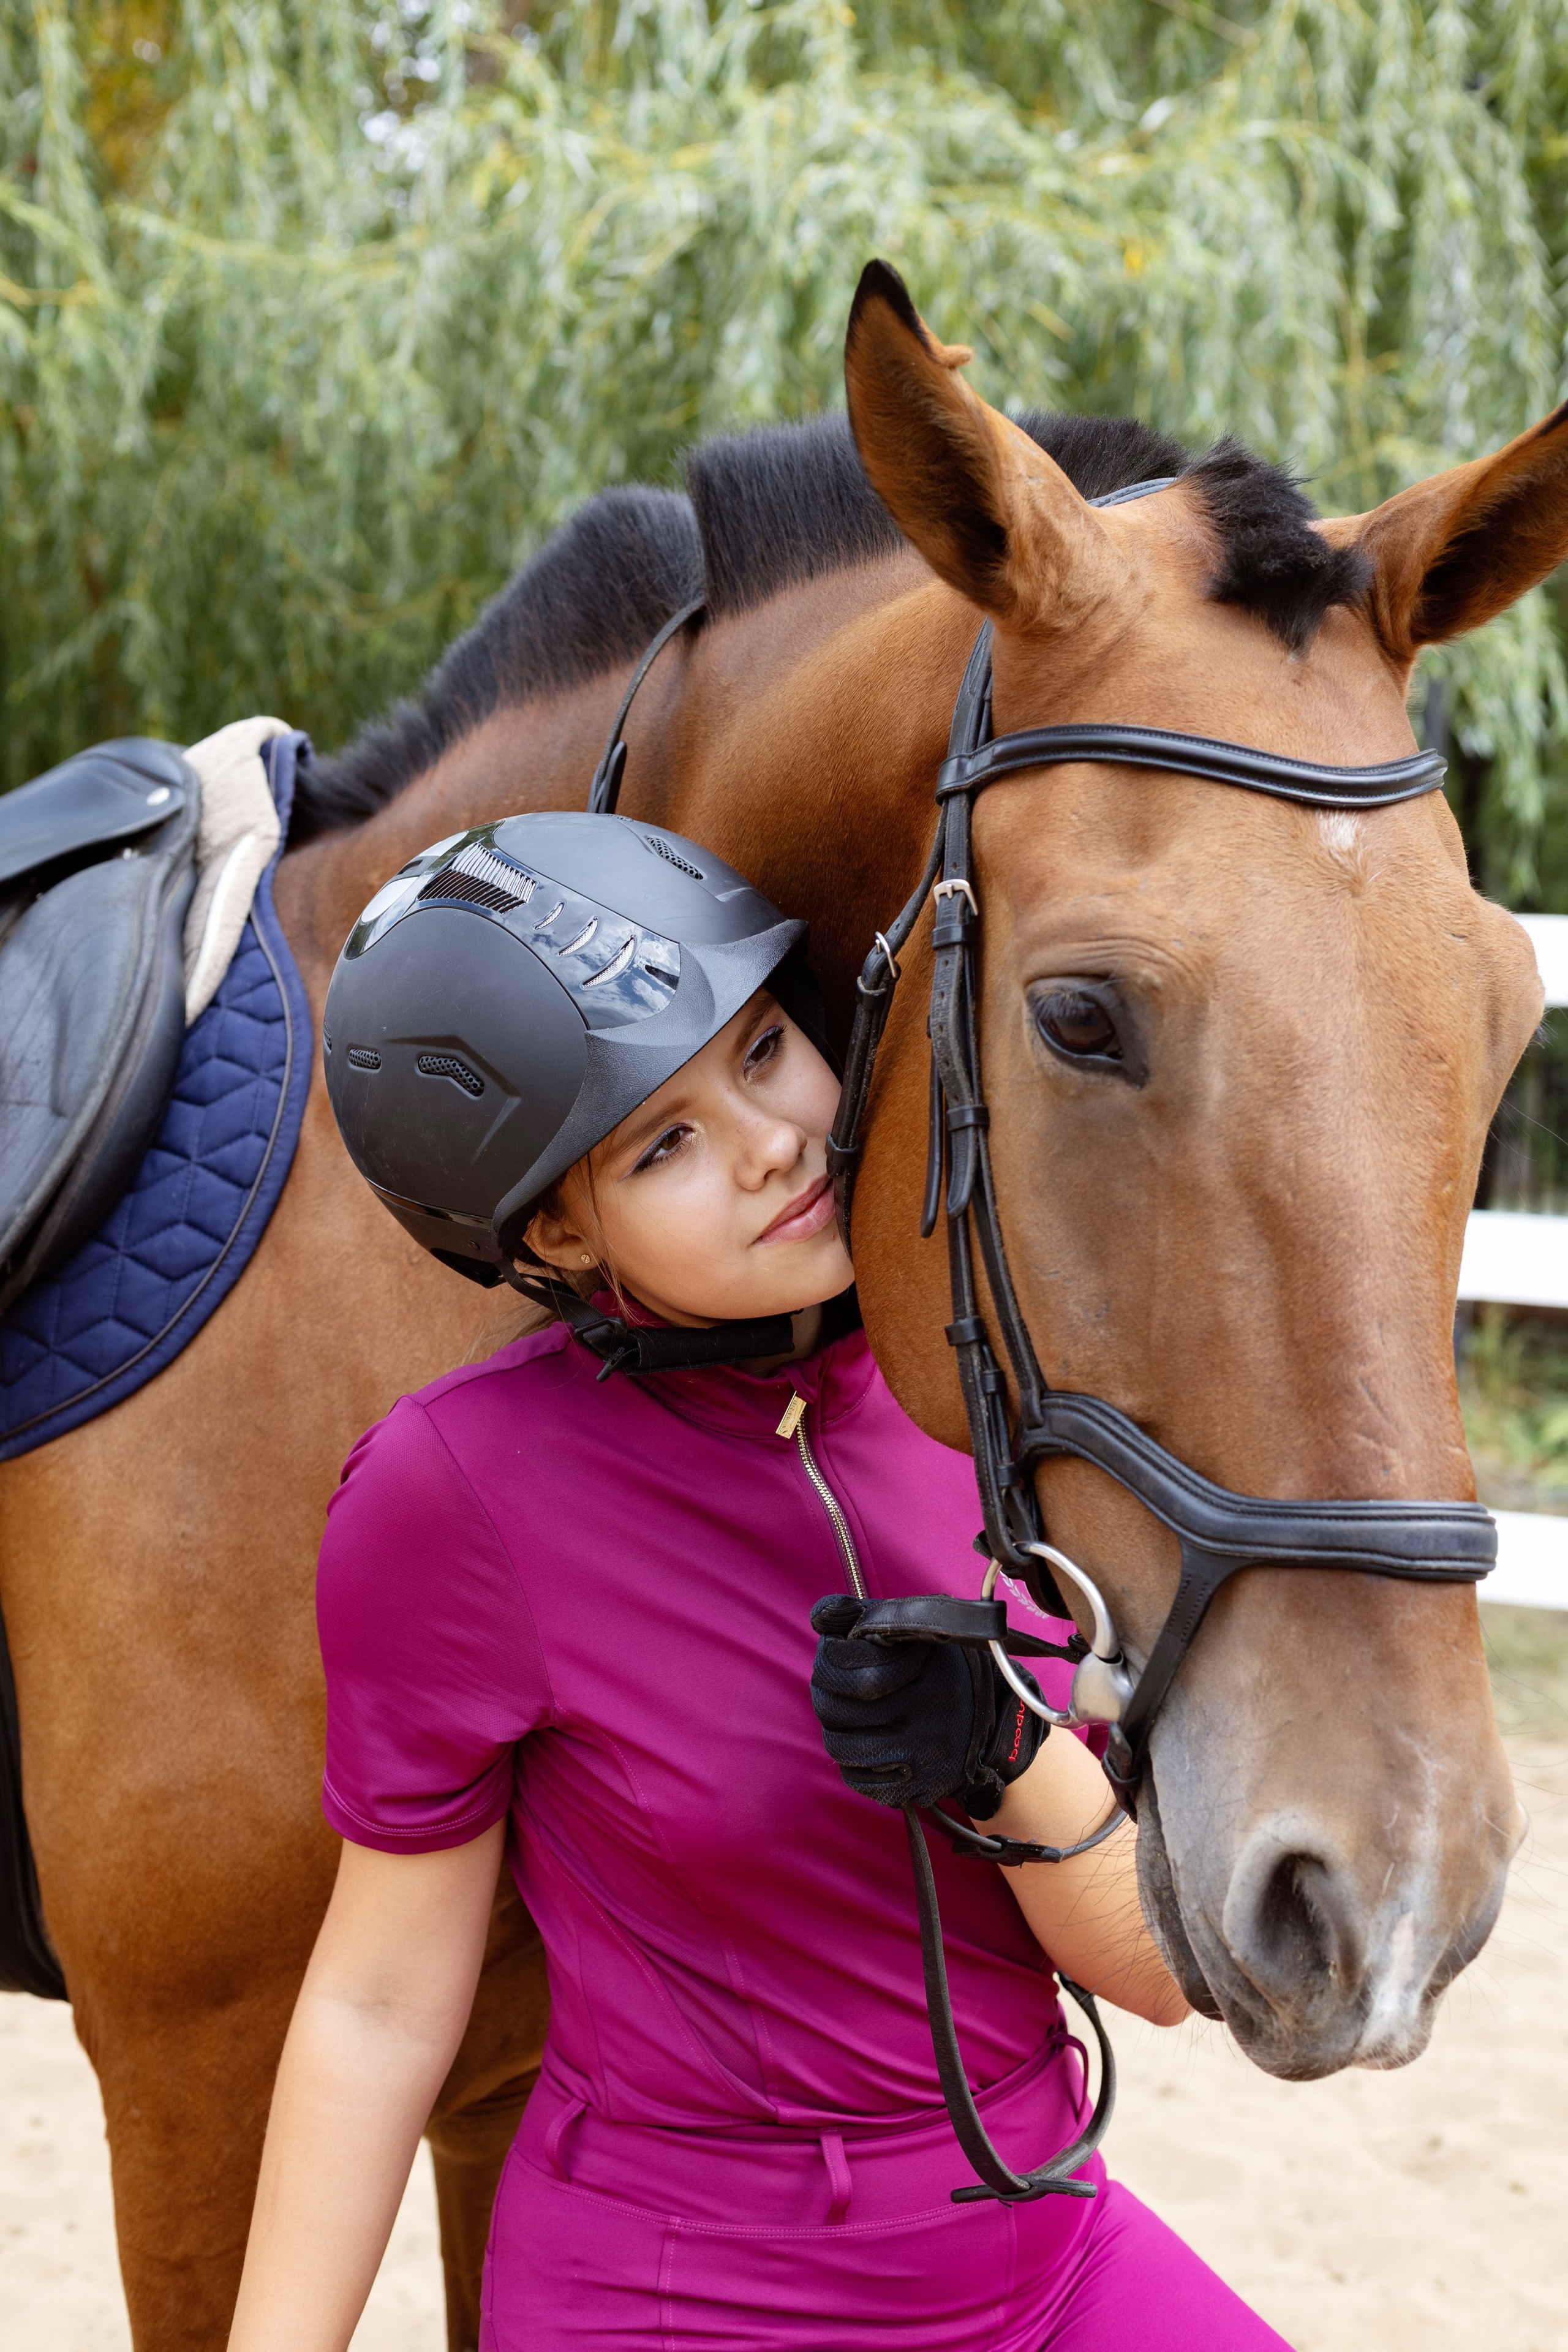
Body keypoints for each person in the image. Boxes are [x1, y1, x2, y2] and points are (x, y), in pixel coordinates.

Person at [228, 811, 1291, 2352]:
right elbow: (378, 2005)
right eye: (660, 1142)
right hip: (693, 2297)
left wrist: (1004, 1754)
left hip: (1043, 2247)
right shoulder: (453, 1494)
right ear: (558, 1234)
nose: (772, 1141)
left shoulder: (988, 1394)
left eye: (762, 1050)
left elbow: (1157, 1975)